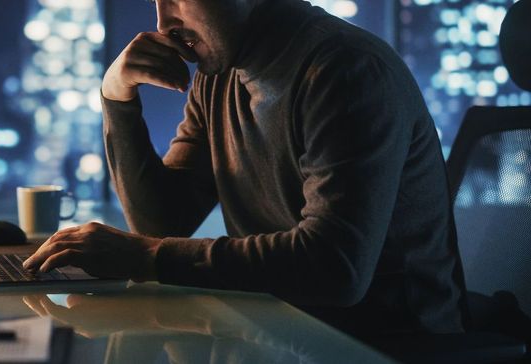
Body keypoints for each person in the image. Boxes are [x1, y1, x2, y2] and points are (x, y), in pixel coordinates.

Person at [23, 0, 466, 337]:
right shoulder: (220, 78)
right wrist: (116, 97)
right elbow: (161, 221)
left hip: (377, 340)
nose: (163, 23)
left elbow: (336, 270)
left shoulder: (346, 72)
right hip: (275, 325)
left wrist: (145, 257)